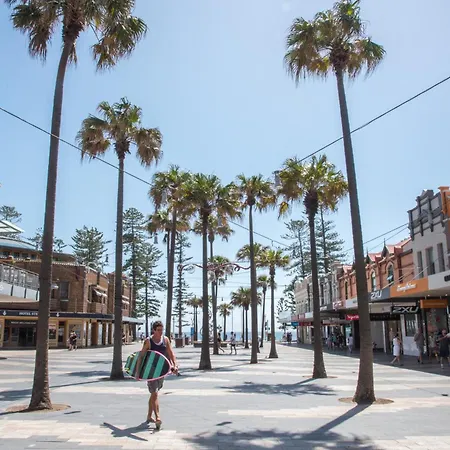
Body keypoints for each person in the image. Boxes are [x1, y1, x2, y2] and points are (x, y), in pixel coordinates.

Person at [136, 321, 178, 429]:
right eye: (158, 330)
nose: (160, 332)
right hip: (150, 371)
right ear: (153, 330)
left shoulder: (165, 340)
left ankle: (149, 416)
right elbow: (141, 356)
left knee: (154, 394)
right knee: (154, 393)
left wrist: (175, 365)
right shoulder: (148, 341)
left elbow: (171, 353)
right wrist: (137, 372)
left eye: (161, 330)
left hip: (162, 371)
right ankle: (158, 417)